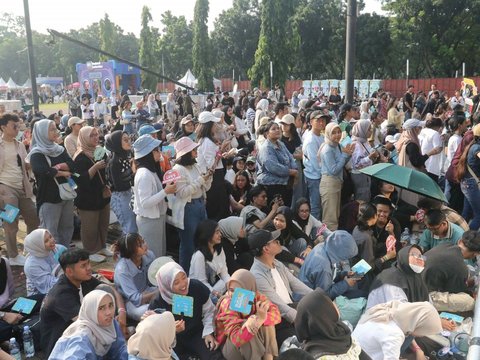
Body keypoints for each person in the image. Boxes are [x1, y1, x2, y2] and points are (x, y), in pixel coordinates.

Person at [40, 248, 127, 356]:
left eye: (88, 263)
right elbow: (88, 323)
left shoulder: (83, 278)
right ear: (69, 271)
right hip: (64, 343)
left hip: (84, 330)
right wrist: (115, 326)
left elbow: (112, 290)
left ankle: (114, 336)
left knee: (105, 291)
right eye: (83, 266)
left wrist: (122, 312)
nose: (89, 268)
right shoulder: (61, 295)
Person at [249, 229, 312, 345]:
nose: (279, 242)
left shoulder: (277, 263)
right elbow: (280, 307)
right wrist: (302, 322)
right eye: (275, 241)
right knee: (309, 337)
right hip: (278, 321)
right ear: (266, 249)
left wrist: (317, 296)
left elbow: (295, 283)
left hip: (291, 308)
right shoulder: (257, 275)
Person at [147, 262, 218, 360]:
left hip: (197, 333)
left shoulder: (195, 287)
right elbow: (154, 335)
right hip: (172, 342)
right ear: (167, 285)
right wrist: (172, 330)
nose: (183, 284)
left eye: (184, 277)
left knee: (212, 355)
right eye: (176, 282)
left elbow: (209, 311)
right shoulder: (157, 303)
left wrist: (208, 333)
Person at [28, 119, 75, 247]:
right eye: (52, 129)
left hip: (66, 195)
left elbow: (72, 165)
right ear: (42, 132)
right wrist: (64, 172)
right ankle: (53, 261)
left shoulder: (59, 149)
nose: (56, 131)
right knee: (50, 232)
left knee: (67, 227)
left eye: (56, 128)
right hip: (49, 198)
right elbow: (44, 171)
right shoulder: (37, 153)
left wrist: (57, 168)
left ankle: (64, 256)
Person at [0, 113, 39, 266]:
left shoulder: (20, 145)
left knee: (33, 217)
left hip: (22, 187)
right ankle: (13, 255)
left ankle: (29, 249)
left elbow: (24, 165)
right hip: (5, 189)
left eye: (18, 125)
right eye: (13, 126)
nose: (17, 129)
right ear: (3, 127)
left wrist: (28, 165)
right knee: (11, 222)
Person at [215, 269, 281, 360]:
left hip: (252, 343)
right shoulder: (227, 304)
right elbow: (236, 339)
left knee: (264, 317)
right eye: (231, 290)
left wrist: (259, 319)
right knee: (248, 326)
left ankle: (268, 357)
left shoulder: (255, 296)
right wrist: (254, 321)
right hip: (230, 346)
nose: (234, 295)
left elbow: (276, 315)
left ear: (249, 288)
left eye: (240, 291)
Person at [49, 289, 128, 360]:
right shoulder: (81, 337)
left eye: (111, 305)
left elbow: (120, 351)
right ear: (91, 312)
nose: (109, 312)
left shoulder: (111, 324)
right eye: (101, 308)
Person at [172, 136, 212, 272]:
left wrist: (208, 178)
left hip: (200, 204)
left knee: (202, 240)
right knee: (189, 244)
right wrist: (201, 180)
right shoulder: (178, 169)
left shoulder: (195, 165)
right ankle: (186, 273)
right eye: (194, 150)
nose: (196, 152)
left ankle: (200, 271)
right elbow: (182, 193)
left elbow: (205, 187)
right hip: (188, 209)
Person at [352, 301, 442, 360]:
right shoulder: (394, 334)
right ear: (419, 325)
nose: (422, 335)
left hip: (353, 351)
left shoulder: (389, 311)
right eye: (425, 331)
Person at [133, 135, 176, 257]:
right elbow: (145, 202)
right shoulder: (144, 174)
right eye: (156, 150)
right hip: (149, 220)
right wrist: (165, 192)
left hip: (156, 218)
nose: (159, 153)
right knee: (152, 255)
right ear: (147, 153)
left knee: (159, 252)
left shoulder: (151, 170)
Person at [295, 289, 367, 360]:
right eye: (329, 303)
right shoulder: (320, 355)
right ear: (324, 313)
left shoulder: (340, 330)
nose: (334, 304)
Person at [73, 126, 112, 258]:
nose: (96, 137)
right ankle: (90, 250)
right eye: (92, 135)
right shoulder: (79, 157)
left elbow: (106, 168)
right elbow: (79, 179)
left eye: (97, 134)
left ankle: (102, 246)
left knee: (103, 222)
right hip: (87, 198)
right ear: (84, 137)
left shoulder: (99, 151)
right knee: (90, 226)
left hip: (101, 195)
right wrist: (94, 168)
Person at [423, 230, 480, 312]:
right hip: (422, 296)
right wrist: (470, 293)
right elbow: (456, 291)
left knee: (467, 270)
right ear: (475, 254)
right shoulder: (459, 267)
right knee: (469, 301)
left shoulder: (446, 244)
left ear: (460, 241)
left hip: (417, 283)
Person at [299, 231, 358, 299]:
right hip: (306, 300)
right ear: (340, 254)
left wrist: (343, 274)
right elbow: (324, 295)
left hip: (304, 291)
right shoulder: (324, 268)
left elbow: (328, 276)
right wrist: (346, 284)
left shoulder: (322, 246)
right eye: (345, 257)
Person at [367, 245, 428, 309]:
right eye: (414, 254)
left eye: (421, 256)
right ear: (404, 257)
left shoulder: (416, 276)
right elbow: (400, 310)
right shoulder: (391, 279)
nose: (419, 258)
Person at [319, 122, 355, 230]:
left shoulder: (337, 145)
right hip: (329, 183)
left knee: (335, 214)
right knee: (330, 218)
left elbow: (341, 163)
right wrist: (345, 155)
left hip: (336, 183)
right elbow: (333, 170)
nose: (337, 135)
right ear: (328, 134)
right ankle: (327, 241)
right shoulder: (327, 149)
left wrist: (348, 154)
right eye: (333, 133)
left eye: (339, 132)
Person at [113, 233, 157, 321]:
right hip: (129, 302)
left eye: (143, 241)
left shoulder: (148, 255)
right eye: (140, 245)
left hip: (147, 291)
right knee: (146, 312)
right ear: (131, 251)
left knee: (173, 294)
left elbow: (155, 277)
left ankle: (185, 318)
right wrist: (157, 294)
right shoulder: (123, 270)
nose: (144, 245)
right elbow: (135, 299)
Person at [196, 111, 230, 221]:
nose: (216, 125)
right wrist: (221, 149)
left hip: (216, 176)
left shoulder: (207, 140)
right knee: (216, 206)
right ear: (209, 125)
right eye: (213, 123)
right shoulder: (206, 142)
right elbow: (212, 165)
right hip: (213, 178)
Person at [256, 121, 298, 207]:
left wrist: (295, 169)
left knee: (285, 210)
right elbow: (273, 167)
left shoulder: (280, 144)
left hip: (285, 183)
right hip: (272, 185)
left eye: (278, 128)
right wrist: (291, 172)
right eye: (273, 129)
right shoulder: (266, 148)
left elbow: (290, 157)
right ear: (267, 133)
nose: (277, 130)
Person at [105, 130, 137, 235]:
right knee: (129, 229)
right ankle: (126, 251)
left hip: (128, 193)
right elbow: (119, 185)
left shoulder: (125, 157)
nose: (129, 142)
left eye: (129, 139)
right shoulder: (114, 162)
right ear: (117, 143)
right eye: (125, 140)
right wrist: (134, 175)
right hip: (120, 197)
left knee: (132, 228)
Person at [396, 119, 434, 207]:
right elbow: (416, 162)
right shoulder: (411, 144)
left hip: (404, 173)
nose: (420, 130)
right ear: (414, 129)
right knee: (412, 199)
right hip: (411, 175)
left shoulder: (404, 139)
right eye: (419, 128)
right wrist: (429, 154)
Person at [189, 220, 230, 302]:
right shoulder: (199, 255)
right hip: (202, 292)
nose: (220, 235)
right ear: (208, 234)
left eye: (220, 232)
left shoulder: (219, 249)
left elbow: (224, 273)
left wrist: (231, 286)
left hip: (218, 287)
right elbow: (201, 283)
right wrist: (217, 294)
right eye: (217, 232)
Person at [302, 111, 330, 219]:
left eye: (323, 120)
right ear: (311, 122)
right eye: (318, 120)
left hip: (320, 175)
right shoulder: (311, 140)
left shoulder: (321, 136)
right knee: (315, 206)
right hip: (314, 177)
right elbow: (315, 164)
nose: (321, 123)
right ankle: (314, 233)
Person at [351, 120, 382, 202]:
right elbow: (356, 164)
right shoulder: (356, 144)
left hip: (366, 173)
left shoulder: (364, 141)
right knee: (361, 199)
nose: (370, 131)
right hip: (359, 175)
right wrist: (369, 157)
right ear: (362, 130)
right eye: (368, 129)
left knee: (366, 195)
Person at [24, 228, 61, 297]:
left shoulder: (55, 249)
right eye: (46, 241)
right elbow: (48, 286)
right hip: (39, 295)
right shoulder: (31, 265)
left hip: (59, 284)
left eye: (50, 236)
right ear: (38, 245)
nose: (51, 240)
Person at [457, 123, 480, 230]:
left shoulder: (473, 145)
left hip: (467, 184)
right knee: (479, 215)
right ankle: (469, 240)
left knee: (466, 213)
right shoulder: (476, 148)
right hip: (471, 185)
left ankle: (458, 236)